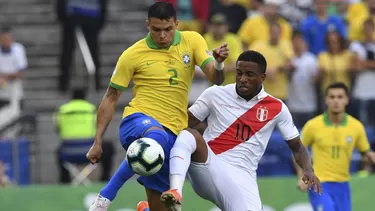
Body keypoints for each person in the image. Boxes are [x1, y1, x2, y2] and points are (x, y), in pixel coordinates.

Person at [86, 2, 229, 211]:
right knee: (156, 138)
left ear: (176, 24)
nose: (162, 36)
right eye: (156, 30)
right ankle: (105, 196)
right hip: (137, 121)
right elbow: (110, 98)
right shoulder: (132, 54)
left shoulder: (192, 40)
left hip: (173, 134)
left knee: (162, 207)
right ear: (147, 26)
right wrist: (97, 141)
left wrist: (218, 63)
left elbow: (216, 78)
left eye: (168, 29)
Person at [161, 50, 321, 211]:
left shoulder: (277, 108)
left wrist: (308, 170)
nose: (243, 79)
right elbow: (183, 123)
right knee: (190, 134)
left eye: (250, 74)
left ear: (262, 77)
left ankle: (149, 209)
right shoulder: (215, 93)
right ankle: (175, 191)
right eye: (239, 73)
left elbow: (297, 147)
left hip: (242, 177)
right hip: (208, 164)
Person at [297, 82, 375, 211]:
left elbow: (365, 152)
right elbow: (298, 152)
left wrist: (370, 156)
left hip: (343, 185)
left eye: (340, 97)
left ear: (346, 100)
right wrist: (302, 175)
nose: (336, 101)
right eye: (332, 97)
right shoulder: (313, 125)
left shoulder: (356, 126)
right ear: (326, 100)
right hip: (319, 183)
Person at [54, 88, 114, 183]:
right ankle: (104, 179)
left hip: (68, 152)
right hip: (90, 151)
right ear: (84, 97)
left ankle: (64, 181)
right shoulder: (92, 109)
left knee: (58, 151)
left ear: (71, 98)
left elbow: (57, 128)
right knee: (109, 147)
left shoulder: (62, 110)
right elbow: (100, 127)